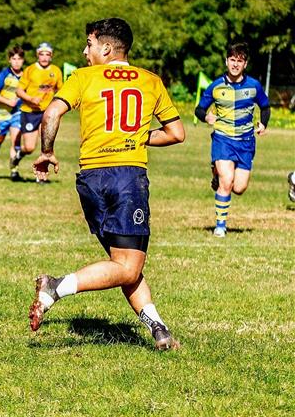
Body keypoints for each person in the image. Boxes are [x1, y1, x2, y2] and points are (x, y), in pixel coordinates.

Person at [30, 18, 185, 351]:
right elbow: (176, 133)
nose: (85, 52)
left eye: (89, 44)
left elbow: (51, 115)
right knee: (127, 266)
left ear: (106, 47)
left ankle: (159, 330)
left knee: (122, 265)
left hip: (90, 180)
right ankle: (55, 287)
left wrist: (46, 152)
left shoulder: (82, 78)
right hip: (127, 178)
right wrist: (141, 136)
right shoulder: (150, 80)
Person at [195, 42, 270, 237]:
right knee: (226, 181)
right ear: (226, 61)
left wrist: (263, 123)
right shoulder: (216, 86)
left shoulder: (254, 86)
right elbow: (199, 109)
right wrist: (206, 117)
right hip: (223, 139)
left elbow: (265, 106)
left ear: (245, 64)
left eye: (240, 61)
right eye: (232, 60)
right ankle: (220, 226)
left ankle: (216, 175)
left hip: (246, 142)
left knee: (239, 187)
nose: (235, 64)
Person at [14, 42, 62, 182]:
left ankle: (41, 176)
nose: (45, 57)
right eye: (42, 54)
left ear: (51, 56)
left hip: (46, 113)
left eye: (48, 54)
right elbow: (18, 91)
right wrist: (30, 99)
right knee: (29, 147)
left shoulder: (56, 71)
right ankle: (18, 154)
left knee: (45, 145)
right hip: (30, 112)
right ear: (37, 55)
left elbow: (60, 90)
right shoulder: (30, 70)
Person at [0, 46, 24, 178]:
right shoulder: (3, 75)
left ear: (23, 60)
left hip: (17, 113)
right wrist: (8, 102)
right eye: (14, 59)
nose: (17, 62)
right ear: (9, 60)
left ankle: (14, 170)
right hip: (0, 114)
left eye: (19, 58)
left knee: (16, 141)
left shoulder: (26, 76)